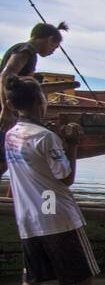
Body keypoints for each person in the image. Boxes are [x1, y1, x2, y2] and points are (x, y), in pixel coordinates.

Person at [2, 75, 97, 285]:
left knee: (32, 280)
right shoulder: (46, 137)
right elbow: (65, 178)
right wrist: (72, 144)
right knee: (83, 277)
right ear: (40, 102)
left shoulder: (11, 135)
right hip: (57, 216)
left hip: (28, 219)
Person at [1, 22, 69, 175]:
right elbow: (6, 75)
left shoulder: (23, 50)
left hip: (12, 107)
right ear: (49, 39)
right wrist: (5, 110)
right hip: (8, 108)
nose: (52, 51)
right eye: (54, 47)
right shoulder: (27, 50)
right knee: (3, 161)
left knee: (7, 161)